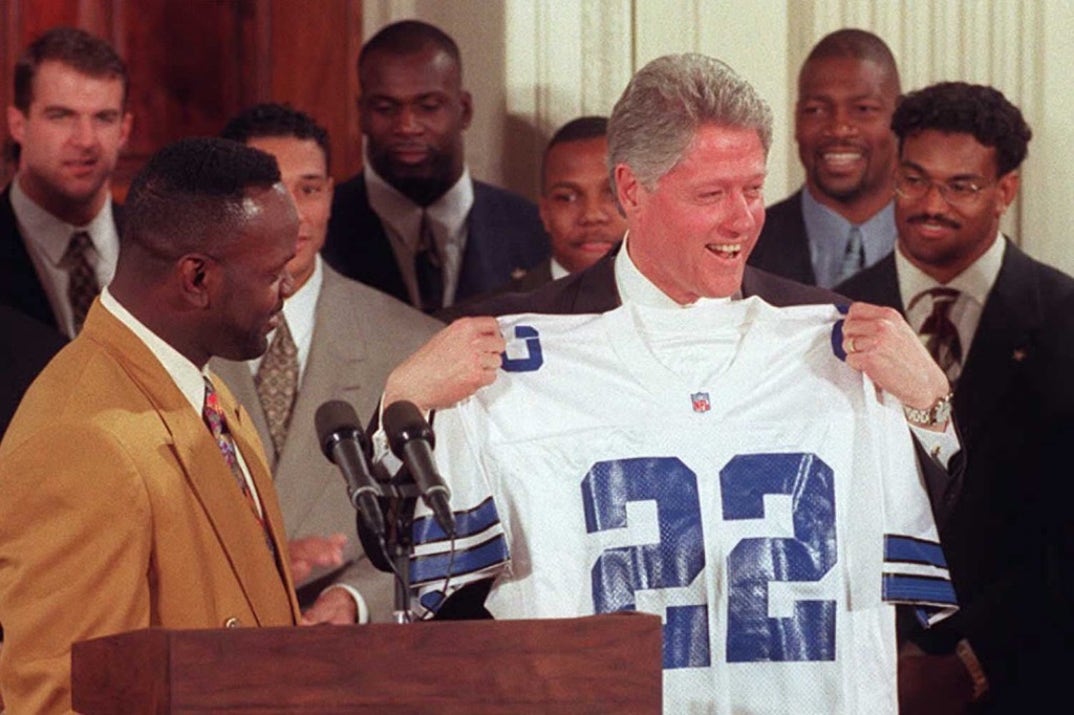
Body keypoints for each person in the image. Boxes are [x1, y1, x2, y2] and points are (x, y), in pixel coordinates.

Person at [404, 54, 958, 714]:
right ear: (633, 191)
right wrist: (401, 406)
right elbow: (434, 602)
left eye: (752, 189)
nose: (741, 219)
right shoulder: (508, 354)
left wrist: (931, 406)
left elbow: (956, 571)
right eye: (711, 194)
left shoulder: (836, 340)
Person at [0, 137, 302, 714]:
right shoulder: (81, 441)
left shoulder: (210, 395)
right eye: (273, 273)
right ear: (196, 278)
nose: (287, 290)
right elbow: (66, 701)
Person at [836, 81, 1074, 713]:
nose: (930, 205)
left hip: (1029, 679)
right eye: (913, 180)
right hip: (864, 674)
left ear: (1006, 191)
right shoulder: (828, 313)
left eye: (960, 186)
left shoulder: (1065, 317)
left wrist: (973, 665)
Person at [211, 103, 441, 625]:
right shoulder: (173, 340)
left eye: (309, 189)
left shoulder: (412, 343)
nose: (292, 213)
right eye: (267, 191)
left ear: (332, 196)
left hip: (351, 667)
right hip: (202, 651)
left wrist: (358, 601)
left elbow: (442, 524)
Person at [323, 19, 548, 312]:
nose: (407, 126)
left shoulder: (532, 229)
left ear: (464, 110)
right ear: (362, 115)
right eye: (385, 108)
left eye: (428, 106)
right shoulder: (322, 230)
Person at [1, 27, 132, 337]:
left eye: (104, 118)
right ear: (18, 124)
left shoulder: (162, 254)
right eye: (61, 116)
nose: (86, 140)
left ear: (124, 130)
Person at [749, 28, 899, 288]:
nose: (839, 128)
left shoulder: (946, 248)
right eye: (816, 110)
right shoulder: (744, 245)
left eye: (863, 109)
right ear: (796, 119)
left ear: (899, 118)